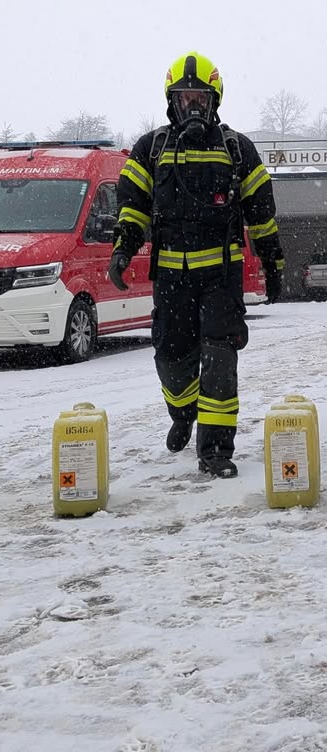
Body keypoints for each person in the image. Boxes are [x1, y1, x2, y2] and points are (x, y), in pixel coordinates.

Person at [108, 52, 284, 479]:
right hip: (171, 277)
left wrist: (273, 262)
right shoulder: (151, 148)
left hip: (221, 276)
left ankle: (216, 450)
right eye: (184, 98)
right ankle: (183, 412)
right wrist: (122, 249)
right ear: (172, 101)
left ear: (214, 101)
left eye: (200, 98)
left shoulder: (236, 149)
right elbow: (132, 206)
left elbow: (261, 213)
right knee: (171, 358)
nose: (192, 106)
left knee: (220, 358)